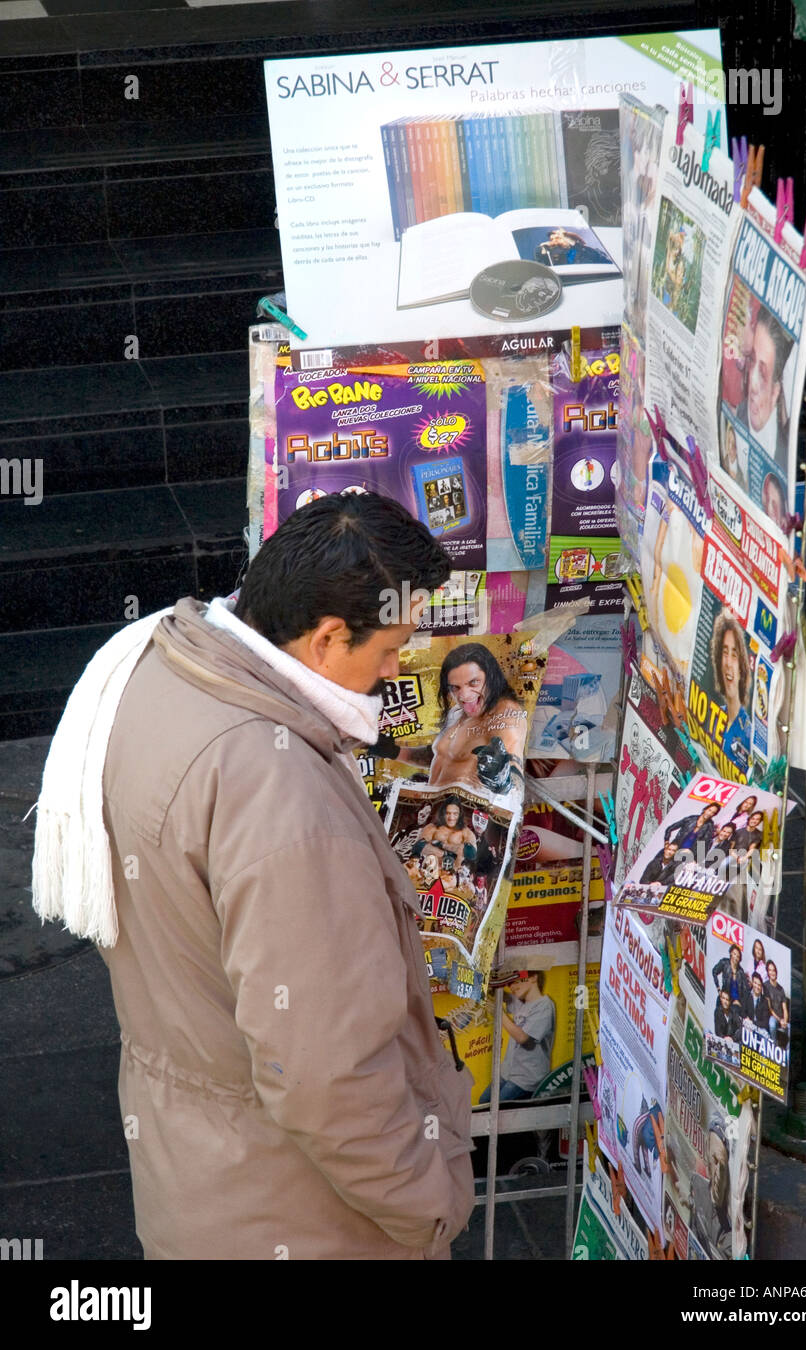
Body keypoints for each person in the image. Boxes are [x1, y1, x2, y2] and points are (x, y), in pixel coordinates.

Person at [32, 492, 475, 1260]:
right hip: (300, 1217)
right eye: (391, 647)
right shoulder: (284, 803)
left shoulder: (157, 663)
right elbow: (327, 1078)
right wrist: (431, 1206)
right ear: (329, 635)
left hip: (195, 1173)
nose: (396, 669)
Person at [427, 643, 526, 799]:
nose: (464, 695)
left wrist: (503, 781)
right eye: (455, 687)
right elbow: (445, 757)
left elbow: (513, 766)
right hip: (434, 811)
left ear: (491, 677)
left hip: (469, 816)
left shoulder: (505, 712)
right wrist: (395, 752)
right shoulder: (457, 714)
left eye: (473, 683)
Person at [478, 971, 556, 1103]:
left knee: (495, 1109)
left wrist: (498, 1013)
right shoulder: (522, 1003)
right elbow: (501, 995)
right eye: (509, 983)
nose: (512, 987)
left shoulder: (544, 1006)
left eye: (516, 981)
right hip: (508, 1073)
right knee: (483, 1102)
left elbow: (523, 1038)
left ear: (533, 978)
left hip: (527, 1078)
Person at [737, 305, 792, 470]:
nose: (753, 385)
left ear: (776, 391)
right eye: (752, 360)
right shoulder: (741, 414)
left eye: (762, 373)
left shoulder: (784, 458)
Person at [710, 611, 752, 771]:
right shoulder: (715, 716)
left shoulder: (747, 733)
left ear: (742, 666)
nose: (728, 662)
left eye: (734, 655)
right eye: (724, 653)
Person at [689, 1114, 732, 1259]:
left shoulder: (733, 1221)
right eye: (714, 1160)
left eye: (722, 1163)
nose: (718, 1171)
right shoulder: (697, 1187)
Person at [411, 796, 476, 873]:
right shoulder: (433, 827)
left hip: (452, 876)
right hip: (429, 870)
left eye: (455, 814)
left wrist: (443, 845)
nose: (451, 818)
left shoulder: (466, 832)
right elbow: (418, 847)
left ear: (460, 815)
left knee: (462, 847)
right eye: (448, 813)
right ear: (443, 813)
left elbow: (472, 854)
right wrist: (443, 854)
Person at [712, 943, 749, 1013]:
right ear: (731, 953)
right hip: (725, 997)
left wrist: (739, 1001)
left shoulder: (741, 971)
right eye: (734, 954)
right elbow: (714, 971)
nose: (736, 957)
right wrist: (718, 988)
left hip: (735, 1002)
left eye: (738, 956)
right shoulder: (725, 963)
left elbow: (745, 990)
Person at [764, 960, 789, 1042]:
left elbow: (785, 1009)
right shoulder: (766, 986)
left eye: (773, 970)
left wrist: (784, 1020)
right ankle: (774, 1045)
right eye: (770, 970)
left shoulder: (781, 989)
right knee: (772, 1024)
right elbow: (769, 1008)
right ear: (768, 972)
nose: (772, 972)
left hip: (782, 1018)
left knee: (789, 1027)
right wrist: (779, 1020)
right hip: (772, 1016)